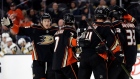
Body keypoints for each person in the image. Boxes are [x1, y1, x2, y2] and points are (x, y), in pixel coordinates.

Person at [1, 13, 58, 79]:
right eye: (45, 21)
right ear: (41, 22)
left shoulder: (55, 30)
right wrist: (12, 25)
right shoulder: (35, 29)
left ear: (50, 21)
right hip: (38, 60)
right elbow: (20, 30)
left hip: (52, 60)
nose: (47, 23)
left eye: (48, 21)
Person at [77, 6, 120, 79]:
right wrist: (105, 47)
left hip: (84, 56)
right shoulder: (106, 26)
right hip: (97, 56)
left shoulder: (90, 25)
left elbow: (81, 39)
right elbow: (113, 42)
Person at [108, 5, 138, 79]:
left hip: (122, 58)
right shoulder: (132, 24)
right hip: (131, 57)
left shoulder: (117, 24)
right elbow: (134, 21)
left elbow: (120, 40)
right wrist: (126, 14)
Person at [52, 13, 78, 79]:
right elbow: (70, 42)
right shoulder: (70, 30)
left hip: (56, 63)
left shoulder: (56, 32)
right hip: (67, 62)